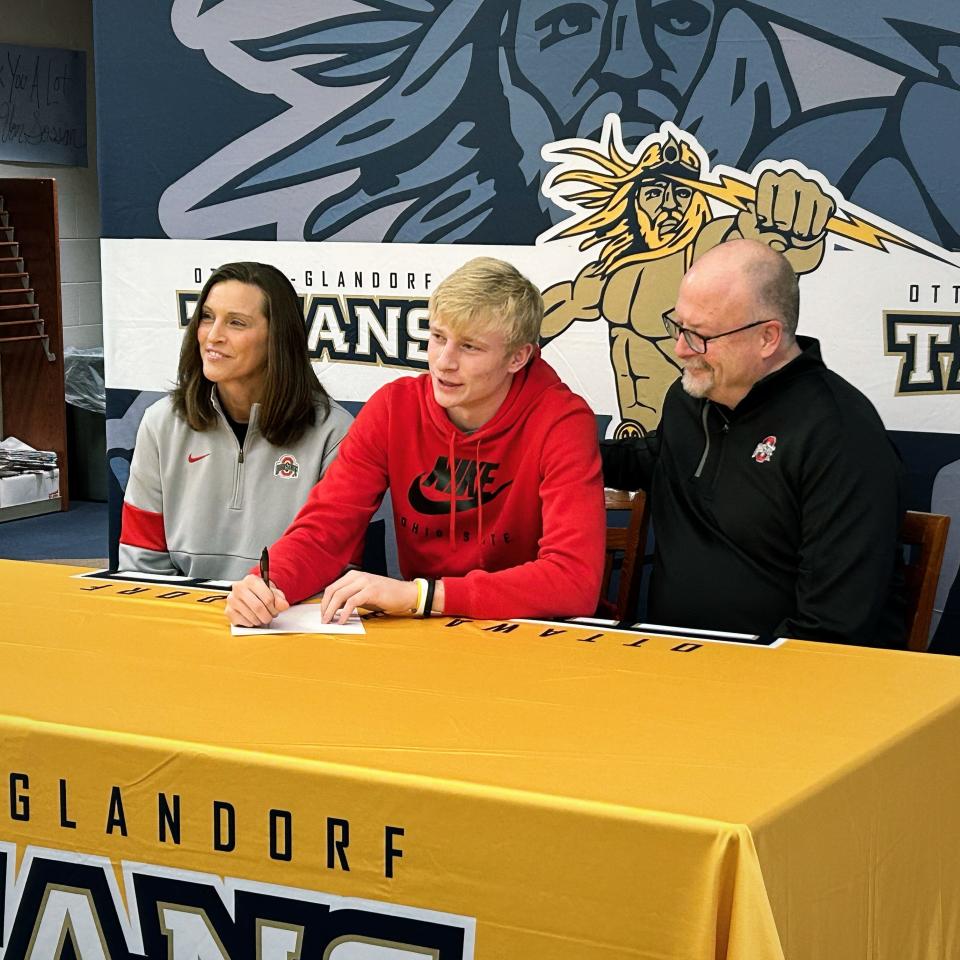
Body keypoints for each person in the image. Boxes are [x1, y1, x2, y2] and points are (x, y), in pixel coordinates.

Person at [226, 256, 605, 627]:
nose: (443, 362)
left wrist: (420, 596)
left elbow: (573, 580)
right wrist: (269, 583)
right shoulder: (394, 408)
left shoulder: (561, 421)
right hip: (428, 631)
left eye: (469, 347)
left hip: (532, 634)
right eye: (438, 337)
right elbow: (325, 531)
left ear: (518, 358)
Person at [602, 238, 906, 646]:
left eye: (699, 336)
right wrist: (540, 443)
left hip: (788, 682)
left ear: (767, 337)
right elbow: (657, 459)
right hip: (669, 663)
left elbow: (833, 623)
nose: (679, 350)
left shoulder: (839, 434)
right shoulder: (690, 400)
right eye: (678, 326)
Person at [119, 261, 352, 580]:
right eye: (207, 317)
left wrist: (267, 602)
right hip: (183, 613)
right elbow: (140, 562)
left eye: (236, 323)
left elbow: (335, 565)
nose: (213, 336)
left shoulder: (334, 434)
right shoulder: (161, 423)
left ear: (277, 338)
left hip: (288, 614)